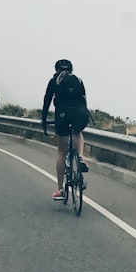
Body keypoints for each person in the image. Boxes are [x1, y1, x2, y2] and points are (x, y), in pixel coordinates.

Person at [41, 59, 90, 200]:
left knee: (62, 152)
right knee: (78, 133)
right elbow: (84, 100)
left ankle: (60, 189)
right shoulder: (78, 80)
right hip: (81, 113)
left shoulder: (54, 81)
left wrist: (44, 119)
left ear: (56, 69)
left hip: (63, 114)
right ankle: (80, 156)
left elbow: (47, 100)